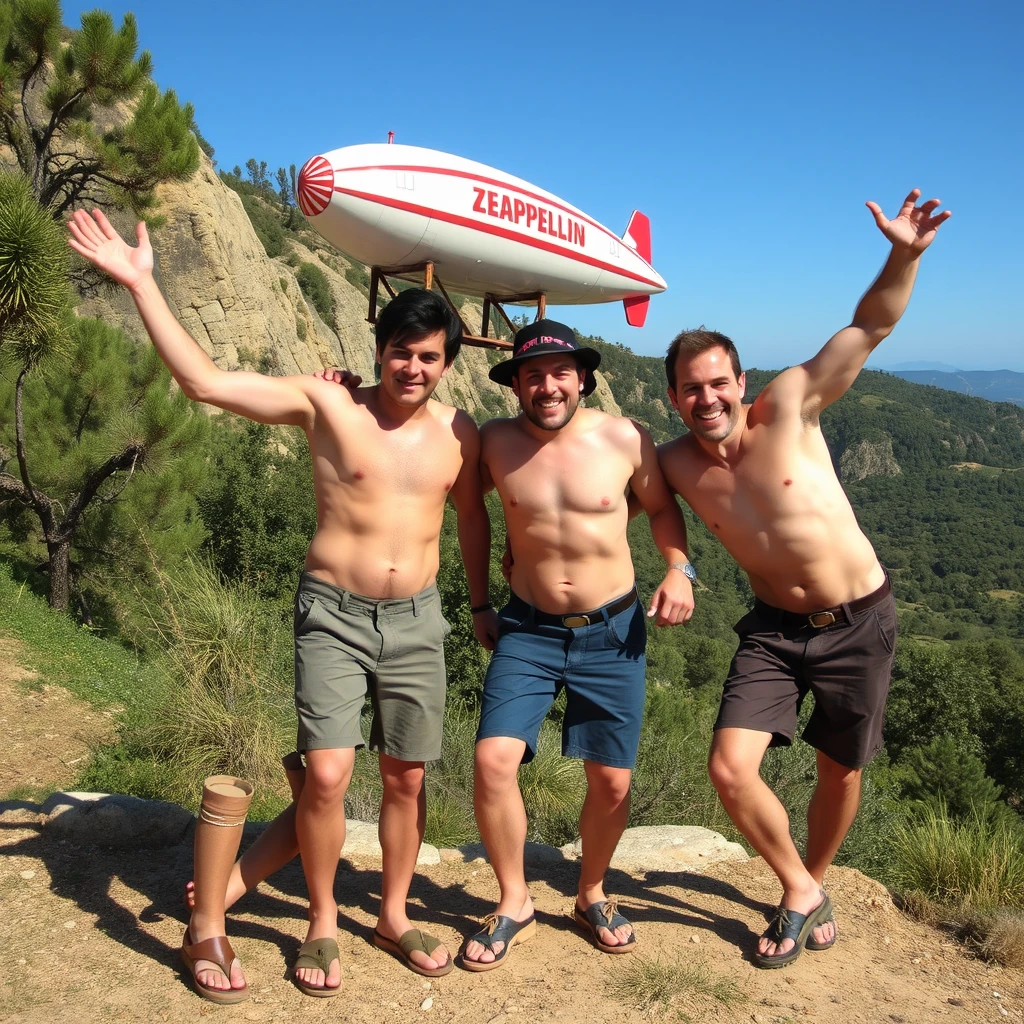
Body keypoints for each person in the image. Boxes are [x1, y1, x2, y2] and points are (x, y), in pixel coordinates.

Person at [68, 209, 499, 999]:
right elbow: (203, 382)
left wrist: (477, 608)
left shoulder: (460, 432)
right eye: (402, 352)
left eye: (429, 357)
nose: (413, 368)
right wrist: (140, 282)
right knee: (328, 774)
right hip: (333, 612)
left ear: (445, 364)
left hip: (417, 620)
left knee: (406, 779)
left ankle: (395, 915)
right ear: (380, 351)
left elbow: (472, 518)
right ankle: (325, 919)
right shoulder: (328, 406)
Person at [656, 189, 951, 968]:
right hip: (773, 631)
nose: (707, 398)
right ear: (673, 396)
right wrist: (677, 564)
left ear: (740, 380)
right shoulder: (675, 463)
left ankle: (805, 883)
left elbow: (871, 326)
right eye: (691, 388)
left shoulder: (788, 406)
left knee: (839, 769)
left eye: (718, 383)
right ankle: (802, 888)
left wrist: (905, 254)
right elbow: (630, 496)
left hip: (859, 619)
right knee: (728, 768)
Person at [460, 319, 695, 970]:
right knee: (492, 762)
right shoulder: (494, 442)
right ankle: (513, 902)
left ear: (583, 378)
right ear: (515, 384)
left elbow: (662, 507)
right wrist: (479, 600)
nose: (547, 385)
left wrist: (679, 567)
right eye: (532, 374)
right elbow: (465, 510)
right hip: (528, 627)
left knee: (613, 782)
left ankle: (590, 891)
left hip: (611, 630)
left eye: (560, 371)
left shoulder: (624, 437)